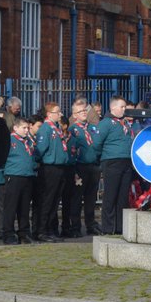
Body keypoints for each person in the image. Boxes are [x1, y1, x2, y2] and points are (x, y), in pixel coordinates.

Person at [97, 96, 135, 236]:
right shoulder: (106, 123)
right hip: (112, 161)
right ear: (113, 108)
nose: (124, 109)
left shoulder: (124, 123)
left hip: (126, 162)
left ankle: (120, 227)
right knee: (110, 195)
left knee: (122, 197)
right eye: (122, 107)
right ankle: (107, 227)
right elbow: (97, 142)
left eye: (125, 107)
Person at [34, 102, 72, 241]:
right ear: (49, 114)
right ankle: (42, 230)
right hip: (50, 168)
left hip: (59, 167)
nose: (60, 114)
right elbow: (40, 149)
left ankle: (49, 229)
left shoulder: (55, 128)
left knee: (55, 201)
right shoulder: (46, 129)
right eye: (57, 112)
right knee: (47, 200)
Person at [0, 117, 38, 244]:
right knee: (11, 207)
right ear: (15, 128)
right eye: (24, 128)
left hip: (27, 176)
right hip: (14, 176)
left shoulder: (27, 141)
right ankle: (8, 233)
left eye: (27, 128)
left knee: (24, 207)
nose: (27, 130)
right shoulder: (9, 140)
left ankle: (24, 232)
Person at [69, 98, 102, 236]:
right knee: (77, 198)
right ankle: (75, 226)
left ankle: (90, 224)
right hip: (80, 167)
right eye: (80, 111)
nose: (83, 113)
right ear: (74, 115)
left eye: (84, 110)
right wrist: (74, 170)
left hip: (93, 166)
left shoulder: (93, 128)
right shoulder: (73, 130)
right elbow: (71, 150)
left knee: (91, 198)